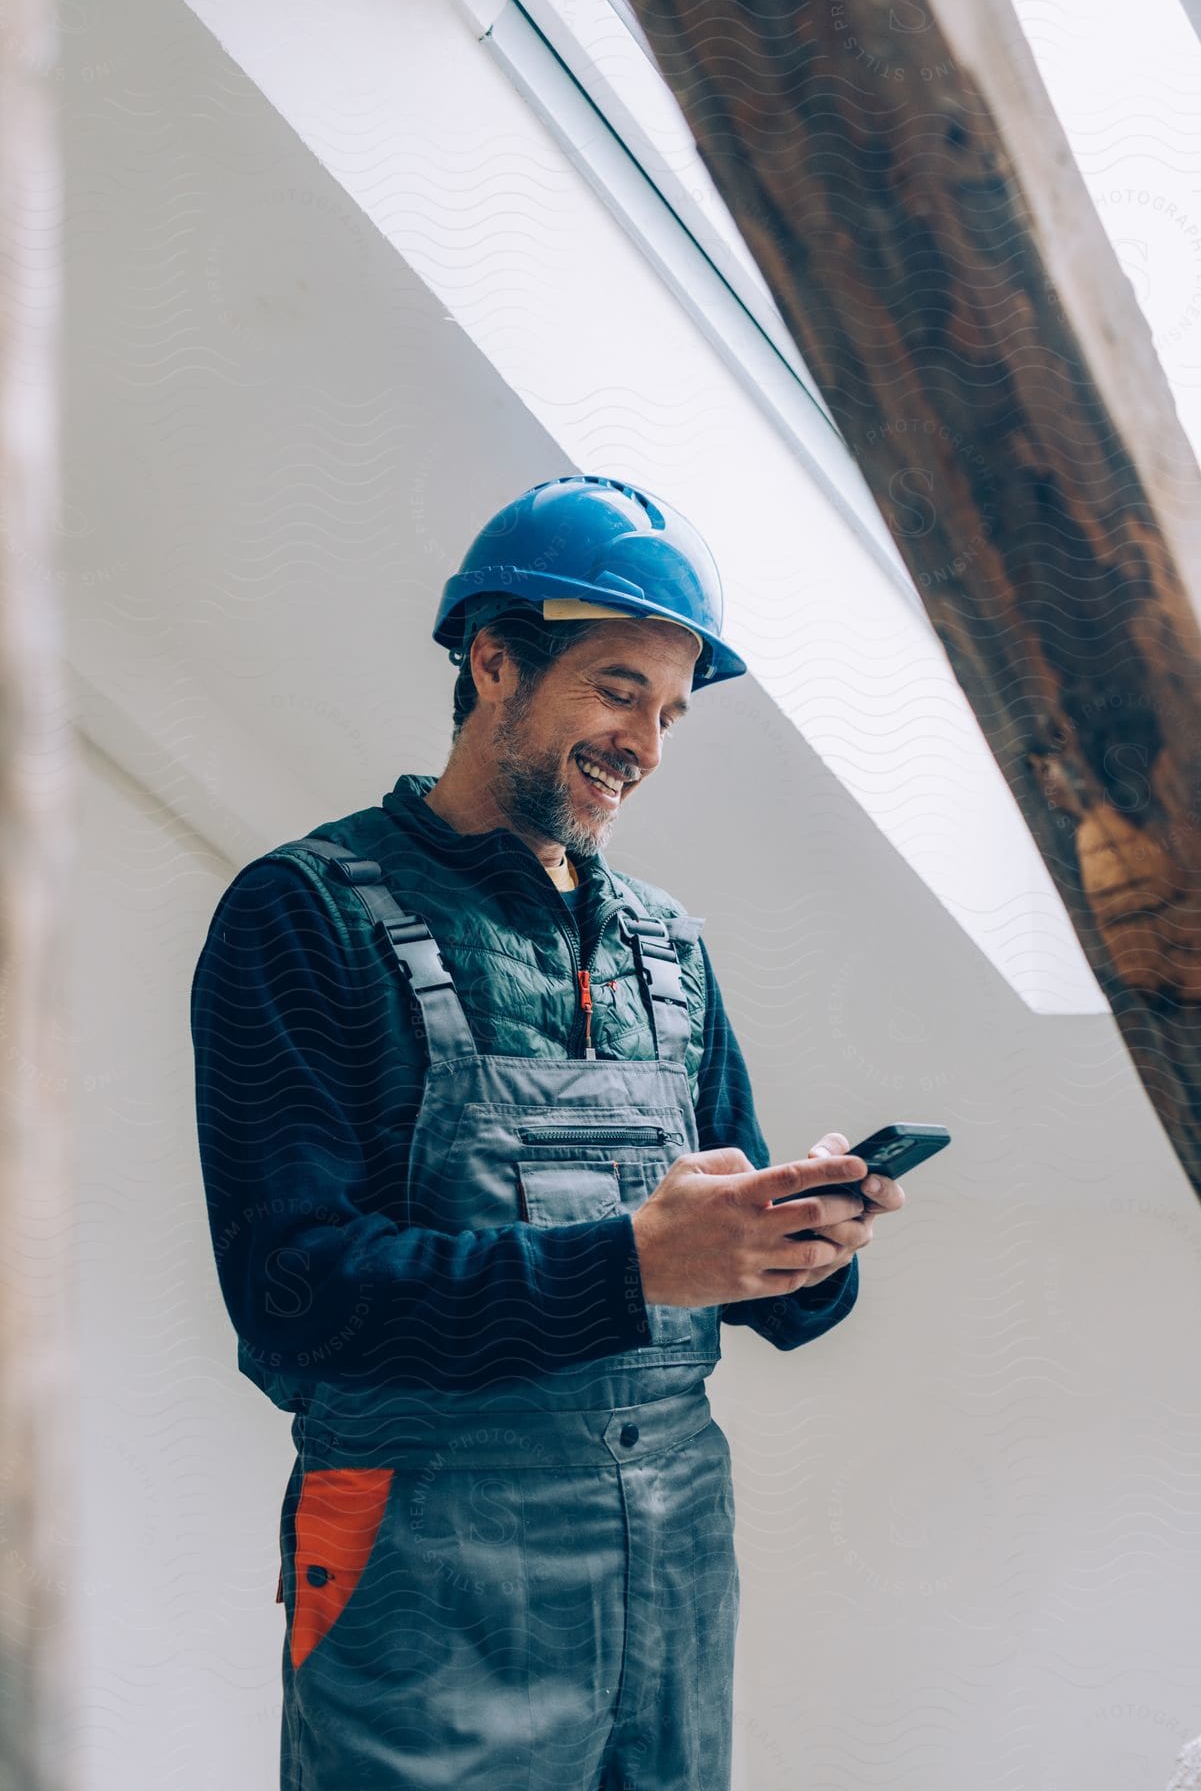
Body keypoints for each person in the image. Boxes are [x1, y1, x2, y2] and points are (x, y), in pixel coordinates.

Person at [191, 474, 905, 1791]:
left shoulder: (666, 945)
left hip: (671, 1545)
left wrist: (807, 1248)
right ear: (494, 662)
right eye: (618, 688)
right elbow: (293, 1294)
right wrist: (631, 1266)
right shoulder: (305, 916)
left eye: (671, 712)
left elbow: (761, 1295)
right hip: (422, 1555)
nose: (644, 742)